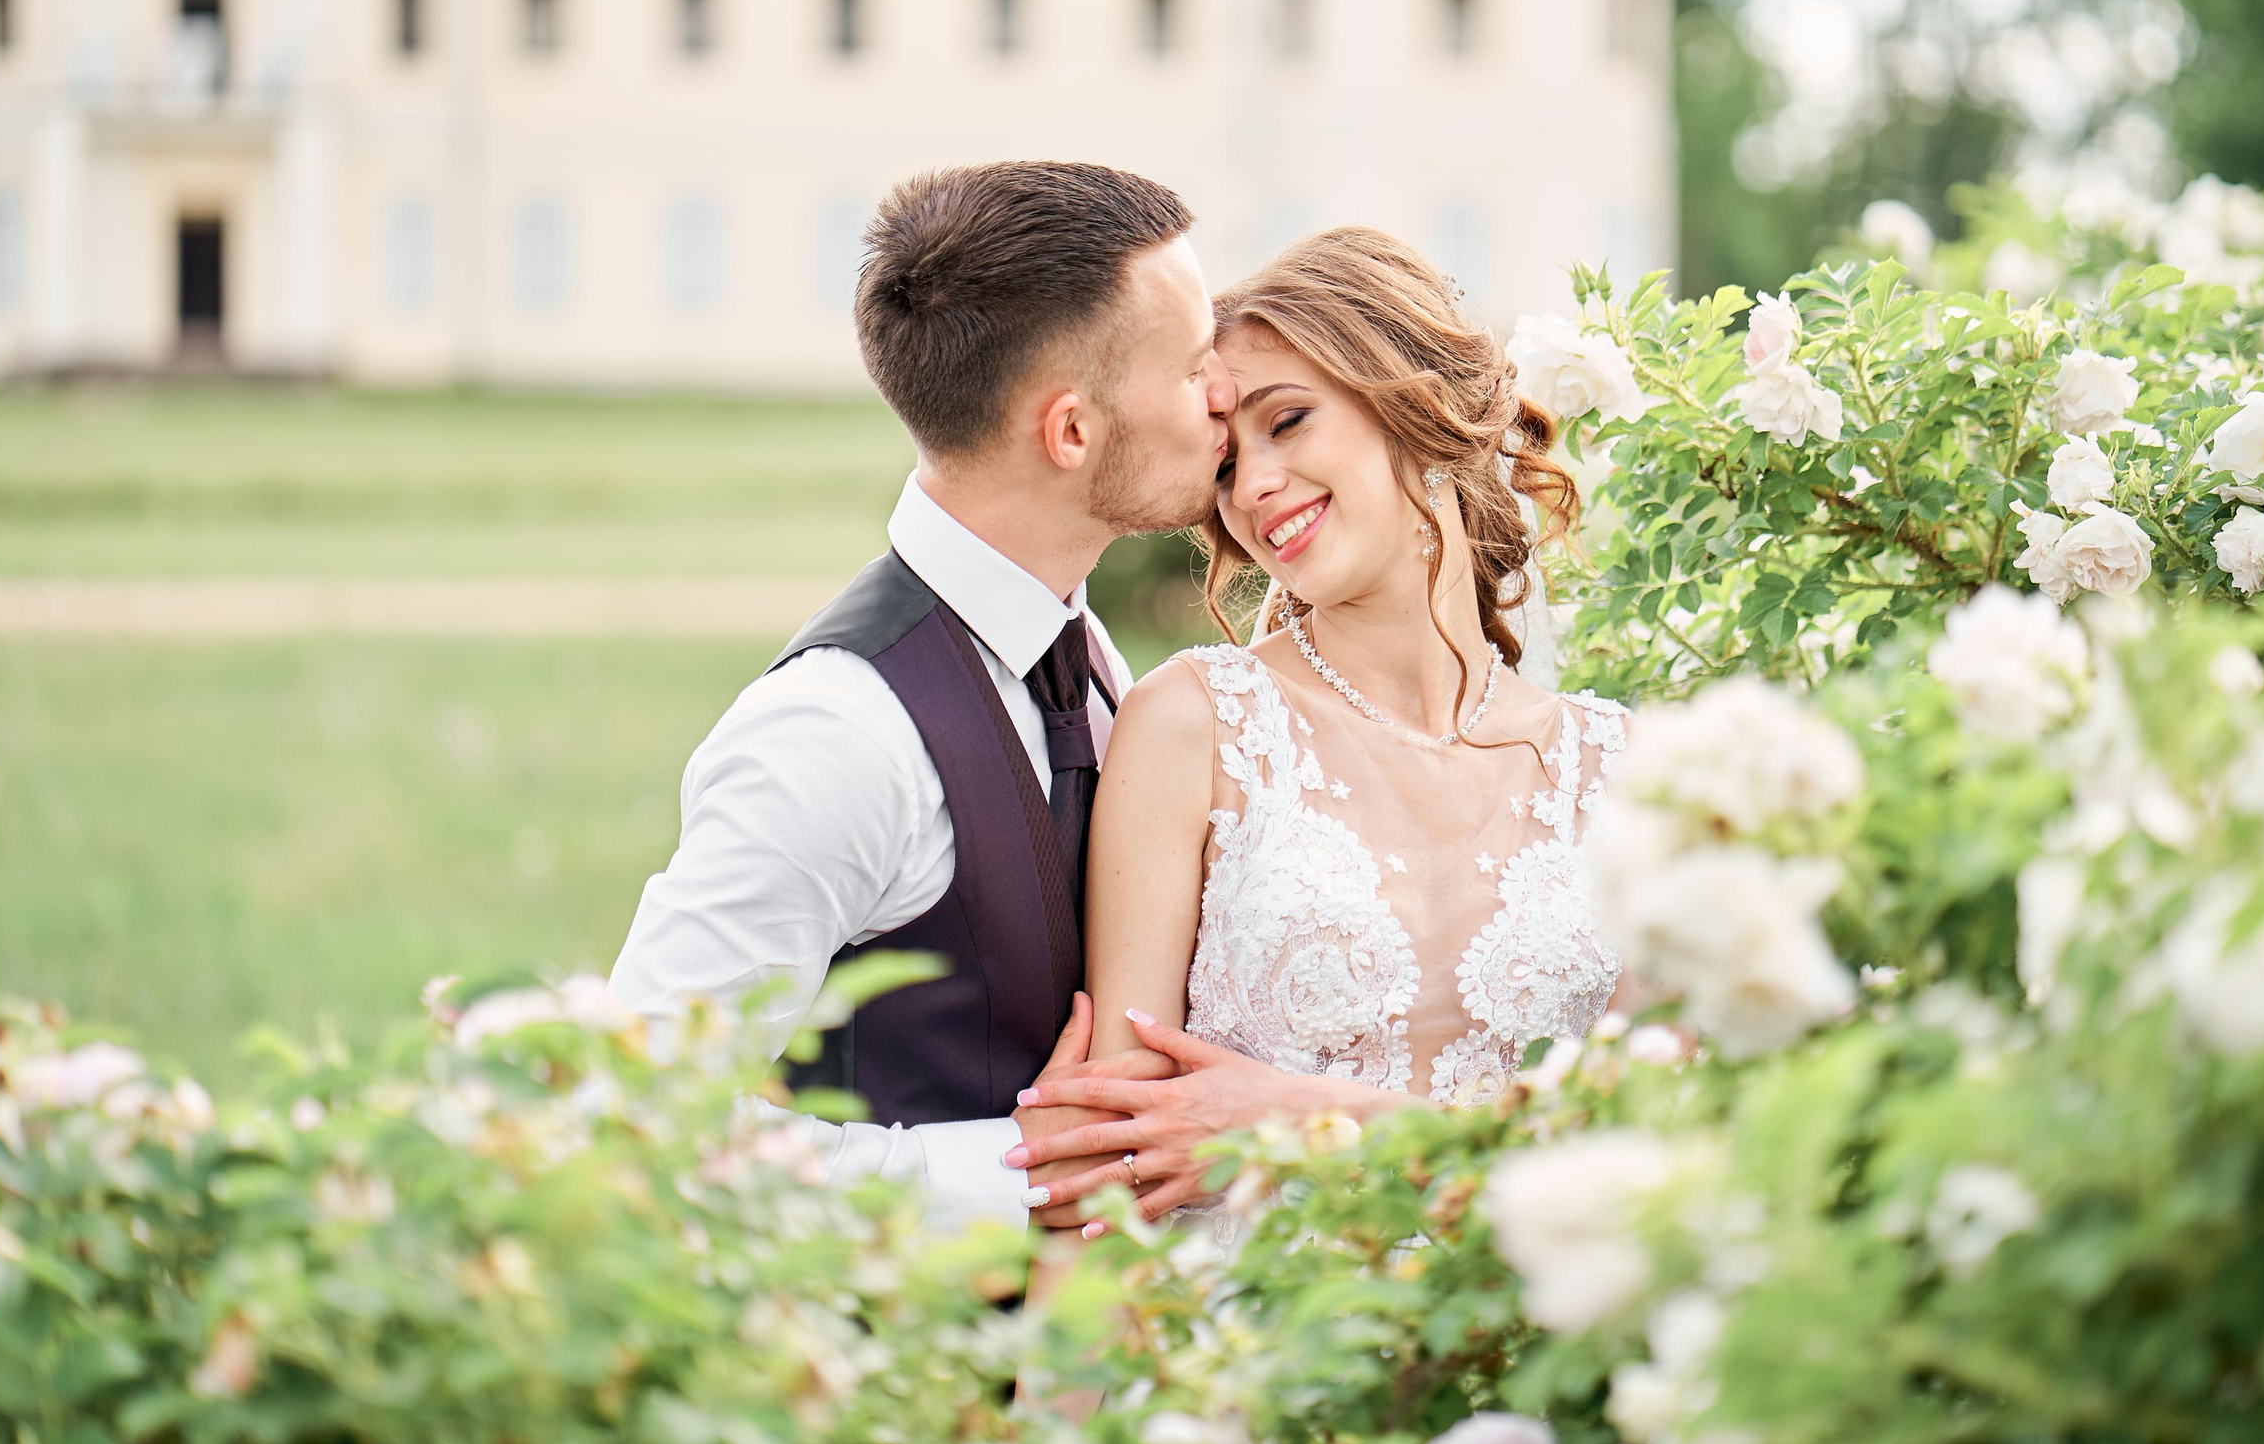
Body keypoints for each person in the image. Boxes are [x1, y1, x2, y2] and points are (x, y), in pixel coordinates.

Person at [610, 161, 1239, 1232]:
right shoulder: (837, 736)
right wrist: (1009, 1175)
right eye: (1191, 369)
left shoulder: (1084, 657)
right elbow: (629, 1124)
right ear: (1071, 432)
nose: (1228, 392)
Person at [1005, 227, 1630, 1234]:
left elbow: (1669, 1156)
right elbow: (1106, 1169)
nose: (1250, 489)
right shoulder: (1193, 728)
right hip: (1254, 1358)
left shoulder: (1620, 775)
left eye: (1286, 421)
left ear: (1411, 401)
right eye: (1224, 465)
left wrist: (1306, 1119)